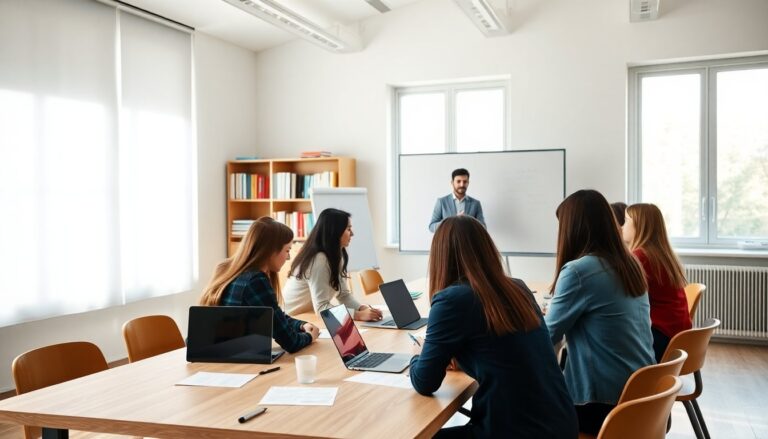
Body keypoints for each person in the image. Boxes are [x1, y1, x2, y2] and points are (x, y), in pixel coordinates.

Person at [409, 216, 578, 439]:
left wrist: (417, 357)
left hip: (517, 431)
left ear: (441, 257)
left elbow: (425, 381)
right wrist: (461, 358)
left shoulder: (452, 299)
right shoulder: (518, 287)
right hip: (561, 424)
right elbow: (502, 350)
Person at [545, 189, 655, 436]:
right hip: (644, 399)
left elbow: (546, 336)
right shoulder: (630, 264)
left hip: (602, 406)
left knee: (520, 407)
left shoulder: (578, 271)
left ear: (573, 229)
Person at [199, 216, 319, 353]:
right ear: (271, 251)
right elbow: (291, 342)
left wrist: (301, 325)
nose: (288, 257)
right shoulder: (255, 281)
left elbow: (273, 316)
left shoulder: (227, 269)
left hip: (215, 354)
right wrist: (310, 336)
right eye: (287, 250)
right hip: (233, 361)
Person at [284, 208, 383, 321]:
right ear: (335, 232)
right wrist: (358, 315)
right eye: (348, 229)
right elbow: (322, 308)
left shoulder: (335, 255)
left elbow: (343, 295)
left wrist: (362, 309)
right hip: (294, 320)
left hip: (310, 318)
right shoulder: (319, 260)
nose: (352, 233)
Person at [623, 203, 691, 361]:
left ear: (639, 226)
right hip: (678, 336)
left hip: (661, 338)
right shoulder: (662, 253)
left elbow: (624, 297)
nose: (621, 226)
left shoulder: (641, 257)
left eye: (626, 220)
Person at [428, 168, 485, 232]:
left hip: (469, 241)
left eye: (465, 181)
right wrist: (452, 221)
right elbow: (432, 227)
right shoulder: (442, 202)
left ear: (468, 183)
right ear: (452, 183)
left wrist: (468, 222)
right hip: (448, 241)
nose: (462, 184)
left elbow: (483, 227)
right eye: (458, 181)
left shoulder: (475, 203)